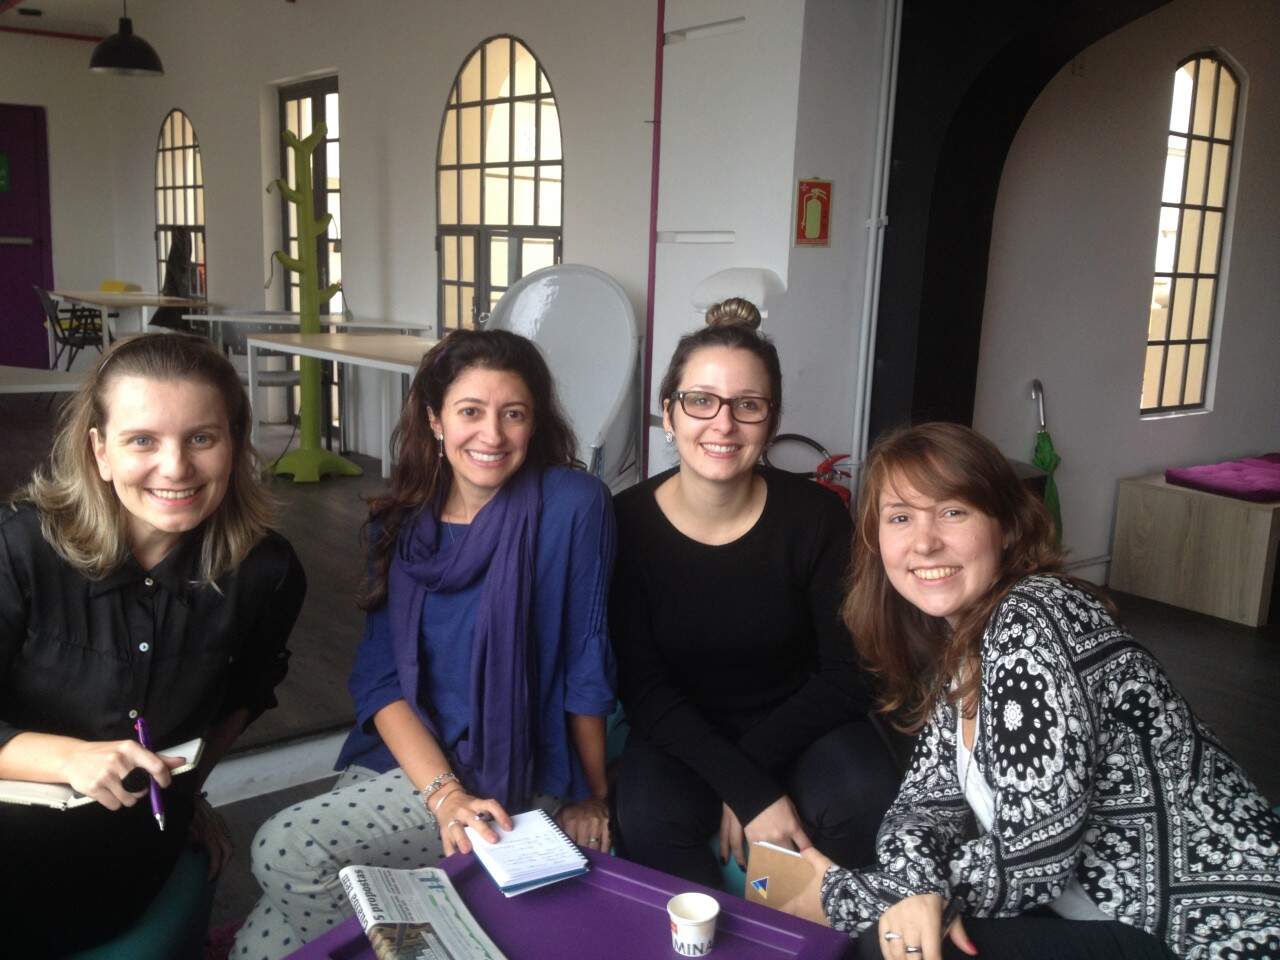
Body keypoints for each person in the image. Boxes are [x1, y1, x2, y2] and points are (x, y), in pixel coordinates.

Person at [781, 422, 1280, 960]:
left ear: (1005, 526)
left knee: (893, 947)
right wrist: (910, 889)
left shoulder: (1036, 617)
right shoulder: (962, 640)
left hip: (1207, 932)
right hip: (1102, 911)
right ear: (877, 542)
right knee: (906, 927)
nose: (924, 542)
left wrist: (843, 898)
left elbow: (1034, 857)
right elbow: (926, 802)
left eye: (953, 511)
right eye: (901, 517)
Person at [237, 328, 616, 958]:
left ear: (535, 423)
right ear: (436, 421)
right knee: (257, 948)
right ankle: (425, 934)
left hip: (511, 768)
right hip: (412, 763)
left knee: (286, 848)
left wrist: (593, 796)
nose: (491, 435)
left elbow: (586, 663)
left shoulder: (573, 505)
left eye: (513, 414)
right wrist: (442, 794)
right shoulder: (400, 526)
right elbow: (380, 679)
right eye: (470, 412)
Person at [0, 333, 306, 954]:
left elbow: (242, 697)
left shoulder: (267, 573)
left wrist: (187, 791)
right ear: (100, 450)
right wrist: (68, 759)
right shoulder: (20, 550)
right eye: (143, 439)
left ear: (234, 445)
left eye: (201, 437)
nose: (175, 468)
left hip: (127, 863)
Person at [610, 299, 900, 889]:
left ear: (770, 420)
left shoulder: (816, 518)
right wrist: (742, 786)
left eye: (748, 405)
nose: (723, 424)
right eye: (700, 401)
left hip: (803, 719)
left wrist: (751, 778)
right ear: (669, 413)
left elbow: (848, 674)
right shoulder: (624, 522)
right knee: (646, 818)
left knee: (862, 801)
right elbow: (643, 688)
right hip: (681, 726)